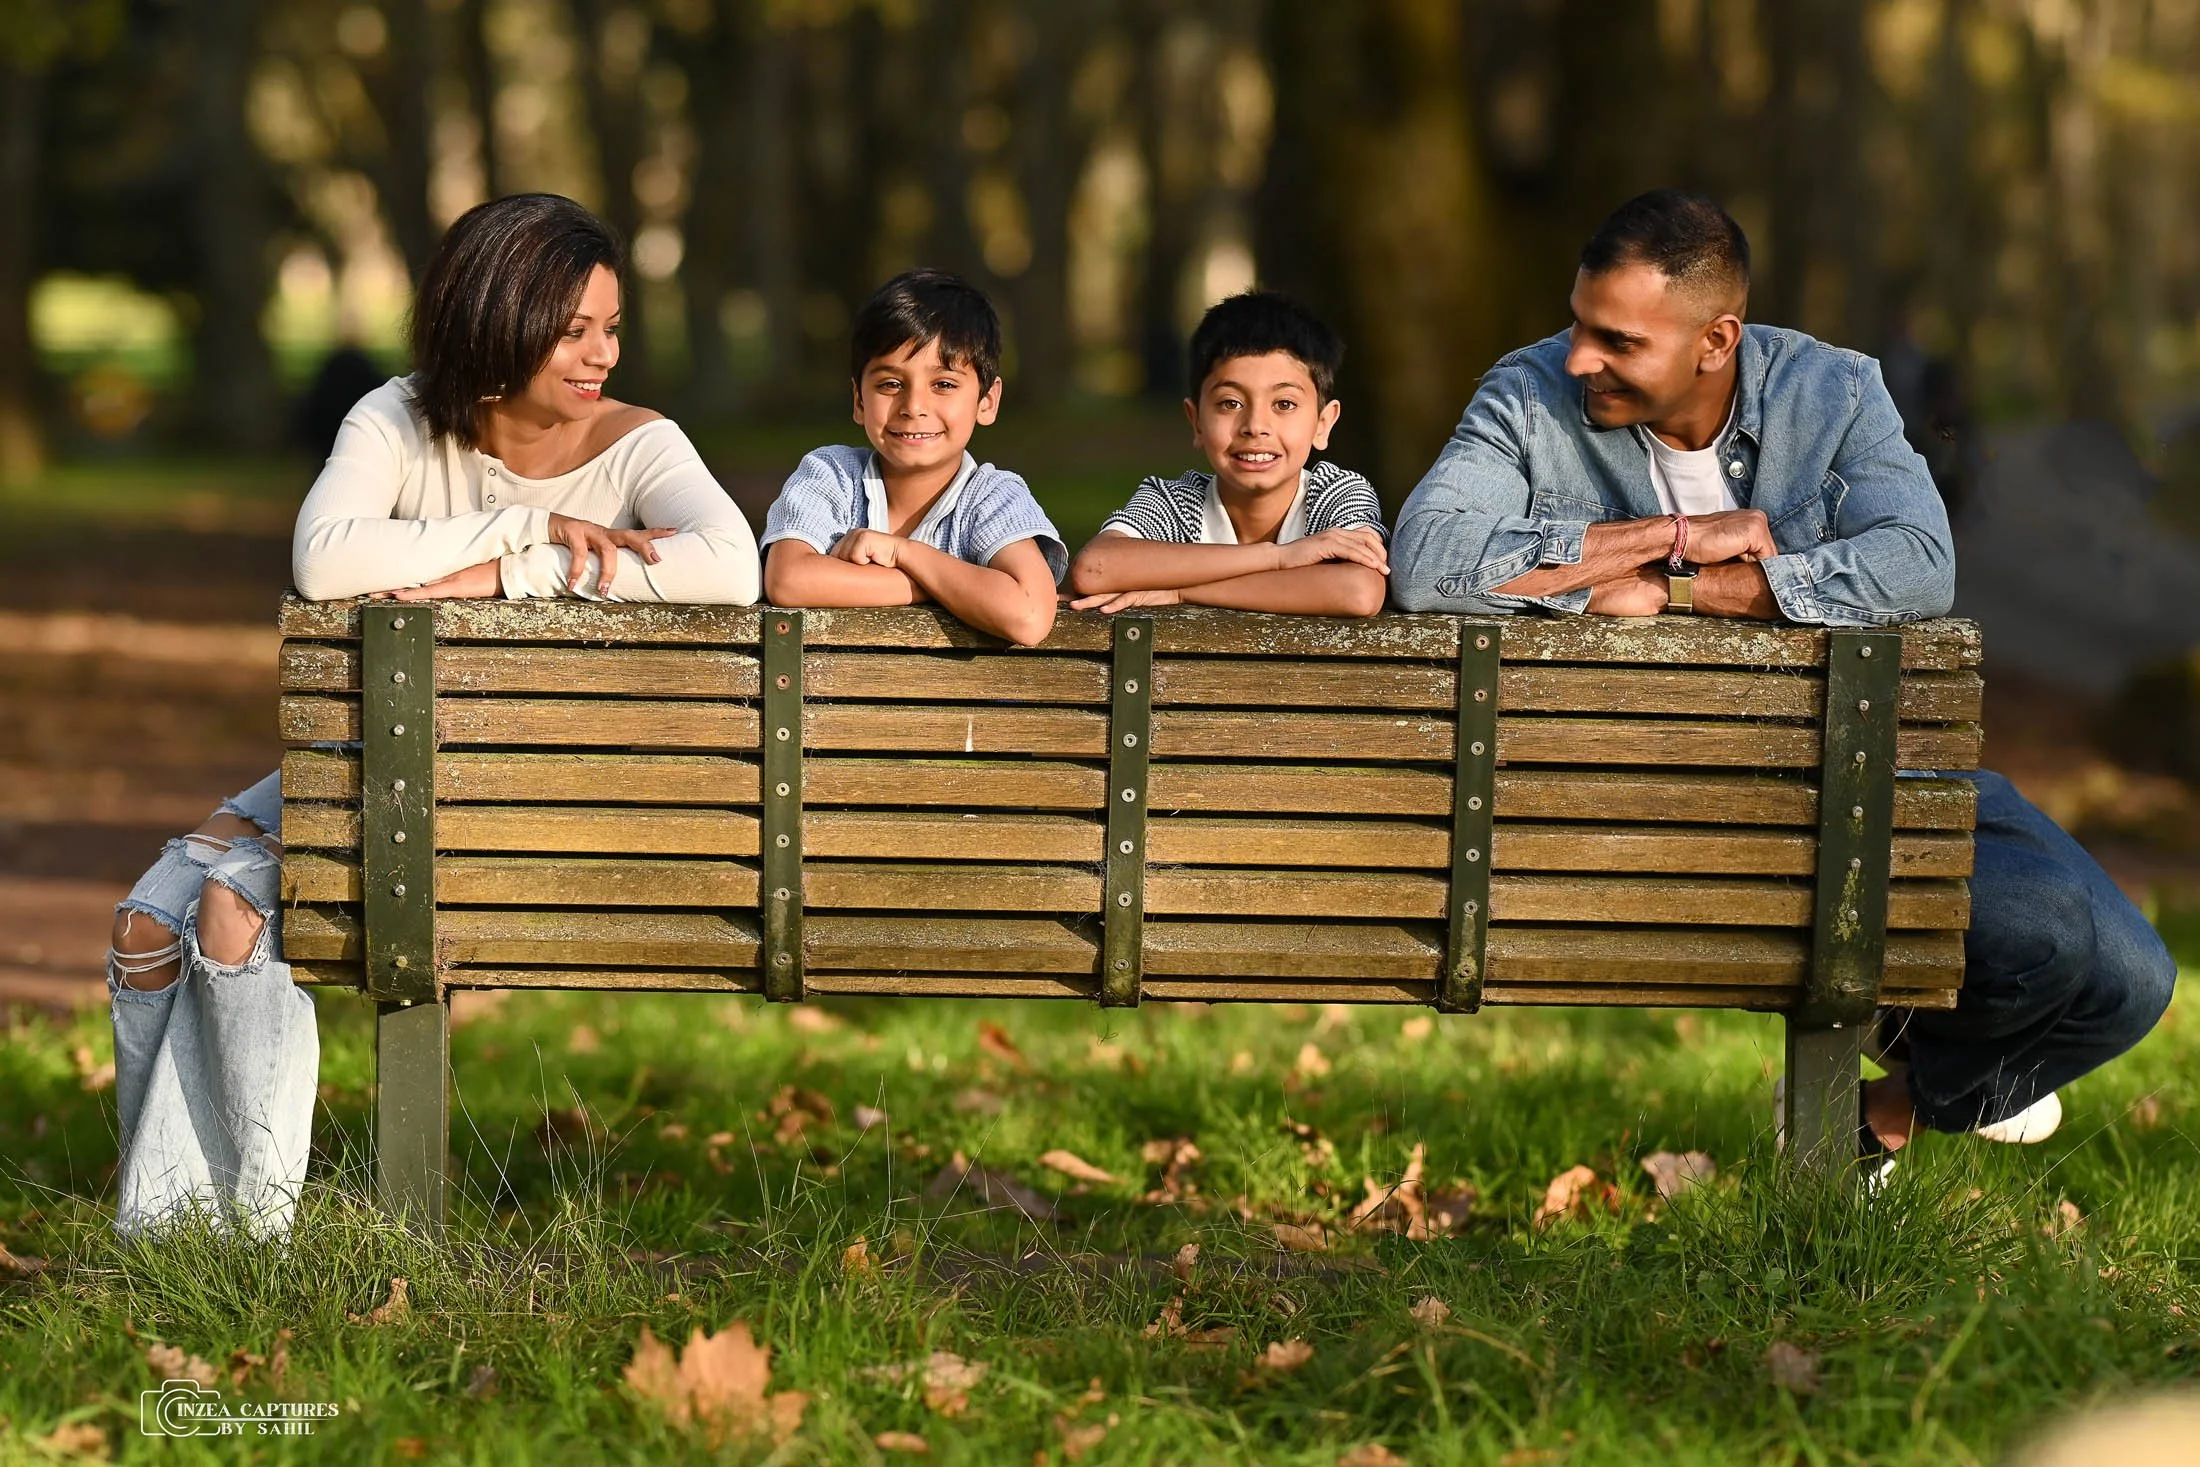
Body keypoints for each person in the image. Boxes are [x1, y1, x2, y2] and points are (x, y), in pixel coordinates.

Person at [1390, 189, 2175, 1165]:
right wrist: (1671, 536)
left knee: (2136, 978)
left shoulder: (1831, 392)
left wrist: (1692, 591)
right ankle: (1912, 1089)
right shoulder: (1527, 392)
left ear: (1716, 340)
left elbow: (1918, 564)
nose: (1580, 359)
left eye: (1617, 340)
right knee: (2048, 932)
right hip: (1662, 805)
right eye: (1578, 324)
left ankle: (1875, 1120)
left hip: (1854, 781)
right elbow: (1427, 562)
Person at [107, 193, 760, 1238]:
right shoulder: (398, 418)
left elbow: (730, 570)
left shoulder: (641, 445)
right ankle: (176, 1225)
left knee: (229, 909)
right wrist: (526, 527)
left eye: (611, 326)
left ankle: (243, 1234)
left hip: (501, 784)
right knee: (146, 920)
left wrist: (509, 576)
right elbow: (324, 557)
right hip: (381, 758)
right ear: (497, 319)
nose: (604, 354)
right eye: (575, 330)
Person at [759, 269, 1064, 647]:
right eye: (890, 384)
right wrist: (934, 586)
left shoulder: (992, 497)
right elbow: (788, 581)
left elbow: (1029, 615)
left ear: (987, 401)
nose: (914, 406)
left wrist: (904, 553)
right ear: (858, 401)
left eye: (944, 385)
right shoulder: (830, 475)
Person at [1065, 290, 1388, 616]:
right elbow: (1094, 569)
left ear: (1323, 423)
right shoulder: (1174, 502)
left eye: (1284, 404)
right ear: (1197, 422)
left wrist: (1180, 589)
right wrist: (1277, 557)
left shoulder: (1336, 493)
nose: (1255, 426)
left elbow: (1358, 591)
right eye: (1230, 403)